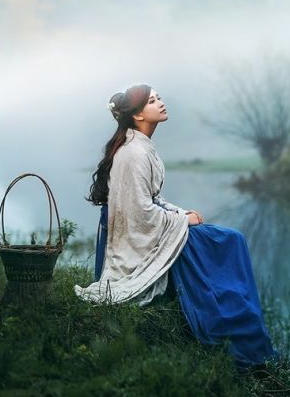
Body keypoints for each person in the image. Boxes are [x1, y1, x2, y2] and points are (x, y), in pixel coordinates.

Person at [74, 84, 277, 370]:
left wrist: (181, 212)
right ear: (138, 115)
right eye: (152, 101)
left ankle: (239, 317)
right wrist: (182, 221)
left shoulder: (142, 145)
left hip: (156, 223)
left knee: (232, 240)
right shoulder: (133, 153)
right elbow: (138, 212)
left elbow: (153, 199)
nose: (161, 103)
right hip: (137, 236)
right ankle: (226, 322)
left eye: (159, 98)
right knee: (229, 242)